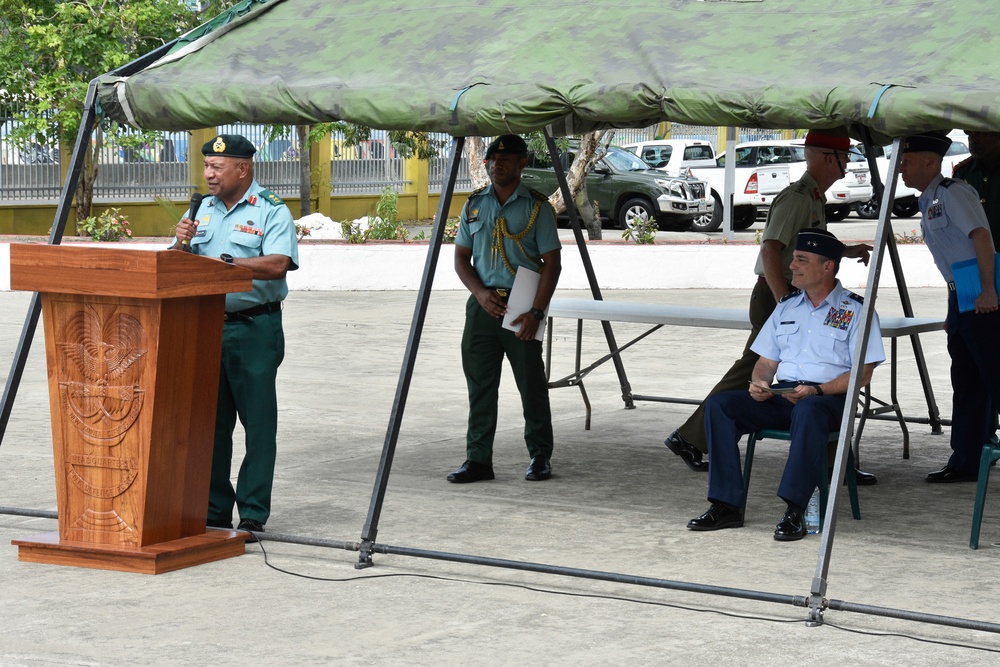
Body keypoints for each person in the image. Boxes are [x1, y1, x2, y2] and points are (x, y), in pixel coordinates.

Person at [664, 130, 874, 482]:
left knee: (813, 370)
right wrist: (785, 303)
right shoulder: (797, 198)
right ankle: (690, 437)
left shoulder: (813, 197)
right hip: (777, 294)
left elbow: (806, 243)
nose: (847, 165)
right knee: (755, 369)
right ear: (827, 158)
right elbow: (771, 249)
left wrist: (843, 251)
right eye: (844, 157)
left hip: (792, 296)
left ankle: (836, 467)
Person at [686, 229, 884, 541]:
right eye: (793, 259)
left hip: (829, 399)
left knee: (809, 411)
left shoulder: (856, 310)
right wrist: (761, 382)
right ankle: (726, 505)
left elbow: (863, 374)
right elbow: (766, 360)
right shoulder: (787, 306)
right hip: (785, 394)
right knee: (720, 405)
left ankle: (796, 509)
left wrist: (817, 390)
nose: (791, 266)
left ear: (827, 266)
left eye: (801, 260)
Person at [172, 133, 299, 533]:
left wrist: (230, 264)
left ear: (242, 168)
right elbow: (177, 265)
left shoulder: (270, 210)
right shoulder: (202, 211)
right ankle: (213, 511)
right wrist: (180, 243)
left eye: (216, 167)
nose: (208, 174)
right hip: (206, 327)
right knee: (211, 425)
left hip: (255, 327)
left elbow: (279, 263)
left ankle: (253, 513)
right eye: (206, 166)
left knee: (258, 426)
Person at [448, 134, 562, 483]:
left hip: (522, 306)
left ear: (523, 163)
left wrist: (537, 312)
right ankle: (478, 459)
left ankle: (540, 455)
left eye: (507, 158)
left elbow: (552, 264)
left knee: (531, 384)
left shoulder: (537, 207)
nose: (498, 164)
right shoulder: (474, 205)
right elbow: (461, 258)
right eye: (493, 159)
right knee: (480, 386)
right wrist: (479, 293)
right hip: (483, 306)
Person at [899, 131, 1000, 483]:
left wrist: (987, 289)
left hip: (983, 294)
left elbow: (982, 236)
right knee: (967, 378)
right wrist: (953, 306)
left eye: (908, 161)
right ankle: (966, 460)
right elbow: (951, 259)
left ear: (931, 163)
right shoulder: (930, 200)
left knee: (993, 374)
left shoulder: (954, 192)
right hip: (962, 295)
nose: (901, 168)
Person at [953, 131, 1000, 251]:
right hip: (974, 255)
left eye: (980, 134)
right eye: (969, 134)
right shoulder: (962, 172)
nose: (973, 139)